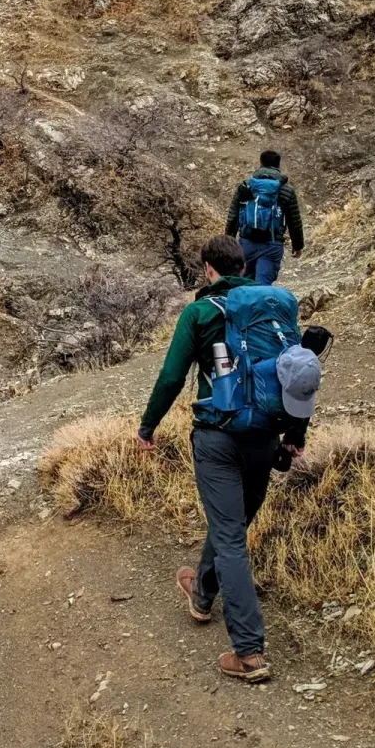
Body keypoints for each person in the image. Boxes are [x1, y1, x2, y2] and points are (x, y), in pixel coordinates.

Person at [136, 236, 318, 683]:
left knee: (231, 537)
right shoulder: (272, 309)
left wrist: (147, 426)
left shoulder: (198, 313)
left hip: (217, 438)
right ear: (243, 265)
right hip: (265, 434)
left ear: (208, 270)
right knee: (231, 524)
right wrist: (296, 433)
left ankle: (249, 652)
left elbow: (172, 376)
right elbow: (299, 373)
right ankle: (200, 593)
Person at [225, 149, 305, 285]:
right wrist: (297, 245)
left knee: (243, 286)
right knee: (263, 286)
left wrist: (229, 241)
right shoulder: (286, 189)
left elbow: (233, 216)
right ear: (278, 165)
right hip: (272, 245)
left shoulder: (246, 186)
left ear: (260, 163)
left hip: (247, 244)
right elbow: (294, 221)